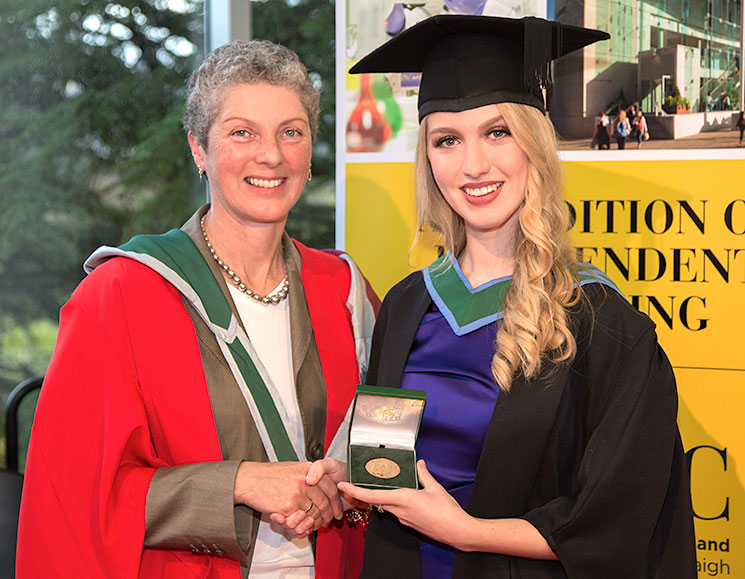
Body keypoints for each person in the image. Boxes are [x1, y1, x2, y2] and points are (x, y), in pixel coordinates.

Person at [340, 14, 696, 578]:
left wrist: (466, 531)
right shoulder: (408, 304)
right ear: (428, 160)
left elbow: (623, 517)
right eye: (447, 140)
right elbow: (387, 456)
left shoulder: (603, 323)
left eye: (497, 132)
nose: (473, 165)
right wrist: (347, 475)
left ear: (534, 143)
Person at [16, 40, 377, 578]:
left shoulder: (344, 291)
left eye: (291, 132)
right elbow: (75, 496)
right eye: (241, 132)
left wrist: (349, 483)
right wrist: (237, 483)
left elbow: (386, 442)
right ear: (198, 149)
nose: (271, 155)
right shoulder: (119, 297)